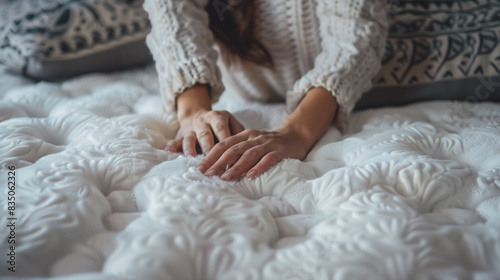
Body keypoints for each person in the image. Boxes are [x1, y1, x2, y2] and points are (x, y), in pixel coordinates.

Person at [143, 0, 388, 181]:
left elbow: (353, 43)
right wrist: (193, 112)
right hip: (246, 92)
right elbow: (173, 14)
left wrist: (297, 132)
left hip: (369, 95)